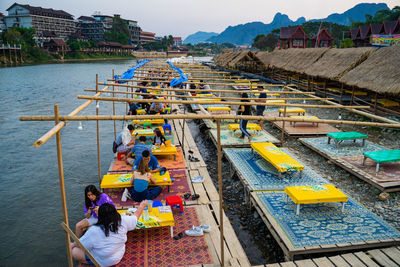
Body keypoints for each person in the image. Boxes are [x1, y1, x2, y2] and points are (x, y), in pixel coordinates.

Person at [71, 201, 148, 266]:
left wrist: (73, 244)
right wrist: (142, 205)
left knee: (74, 251)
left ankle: (91, 262)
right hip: (118, 255)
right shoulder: (123, 220)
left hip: (103, 260)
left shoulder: (94, 230)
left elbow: (80, 245)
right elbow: (135, 216)